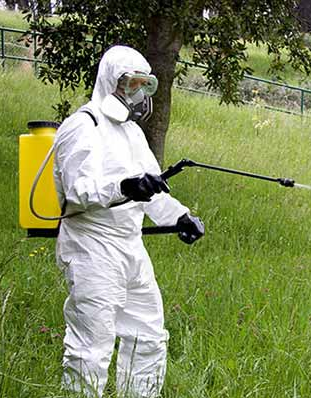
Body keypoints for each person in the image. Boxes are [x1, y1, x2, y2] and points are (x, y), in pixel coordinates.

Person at [53, 45, 204, 398]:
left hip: (130, 245)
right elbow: (78, 191)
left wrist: (180, 216)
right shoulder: (83, 126)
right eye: (131, 83)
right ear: (111, 82)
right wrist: (123, 187)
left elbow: (155, 188)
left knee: (148, 336)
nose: (137, 93)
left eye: (144, 85)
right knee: (92, 346)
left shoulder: (132, 133)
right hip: (91, 245)